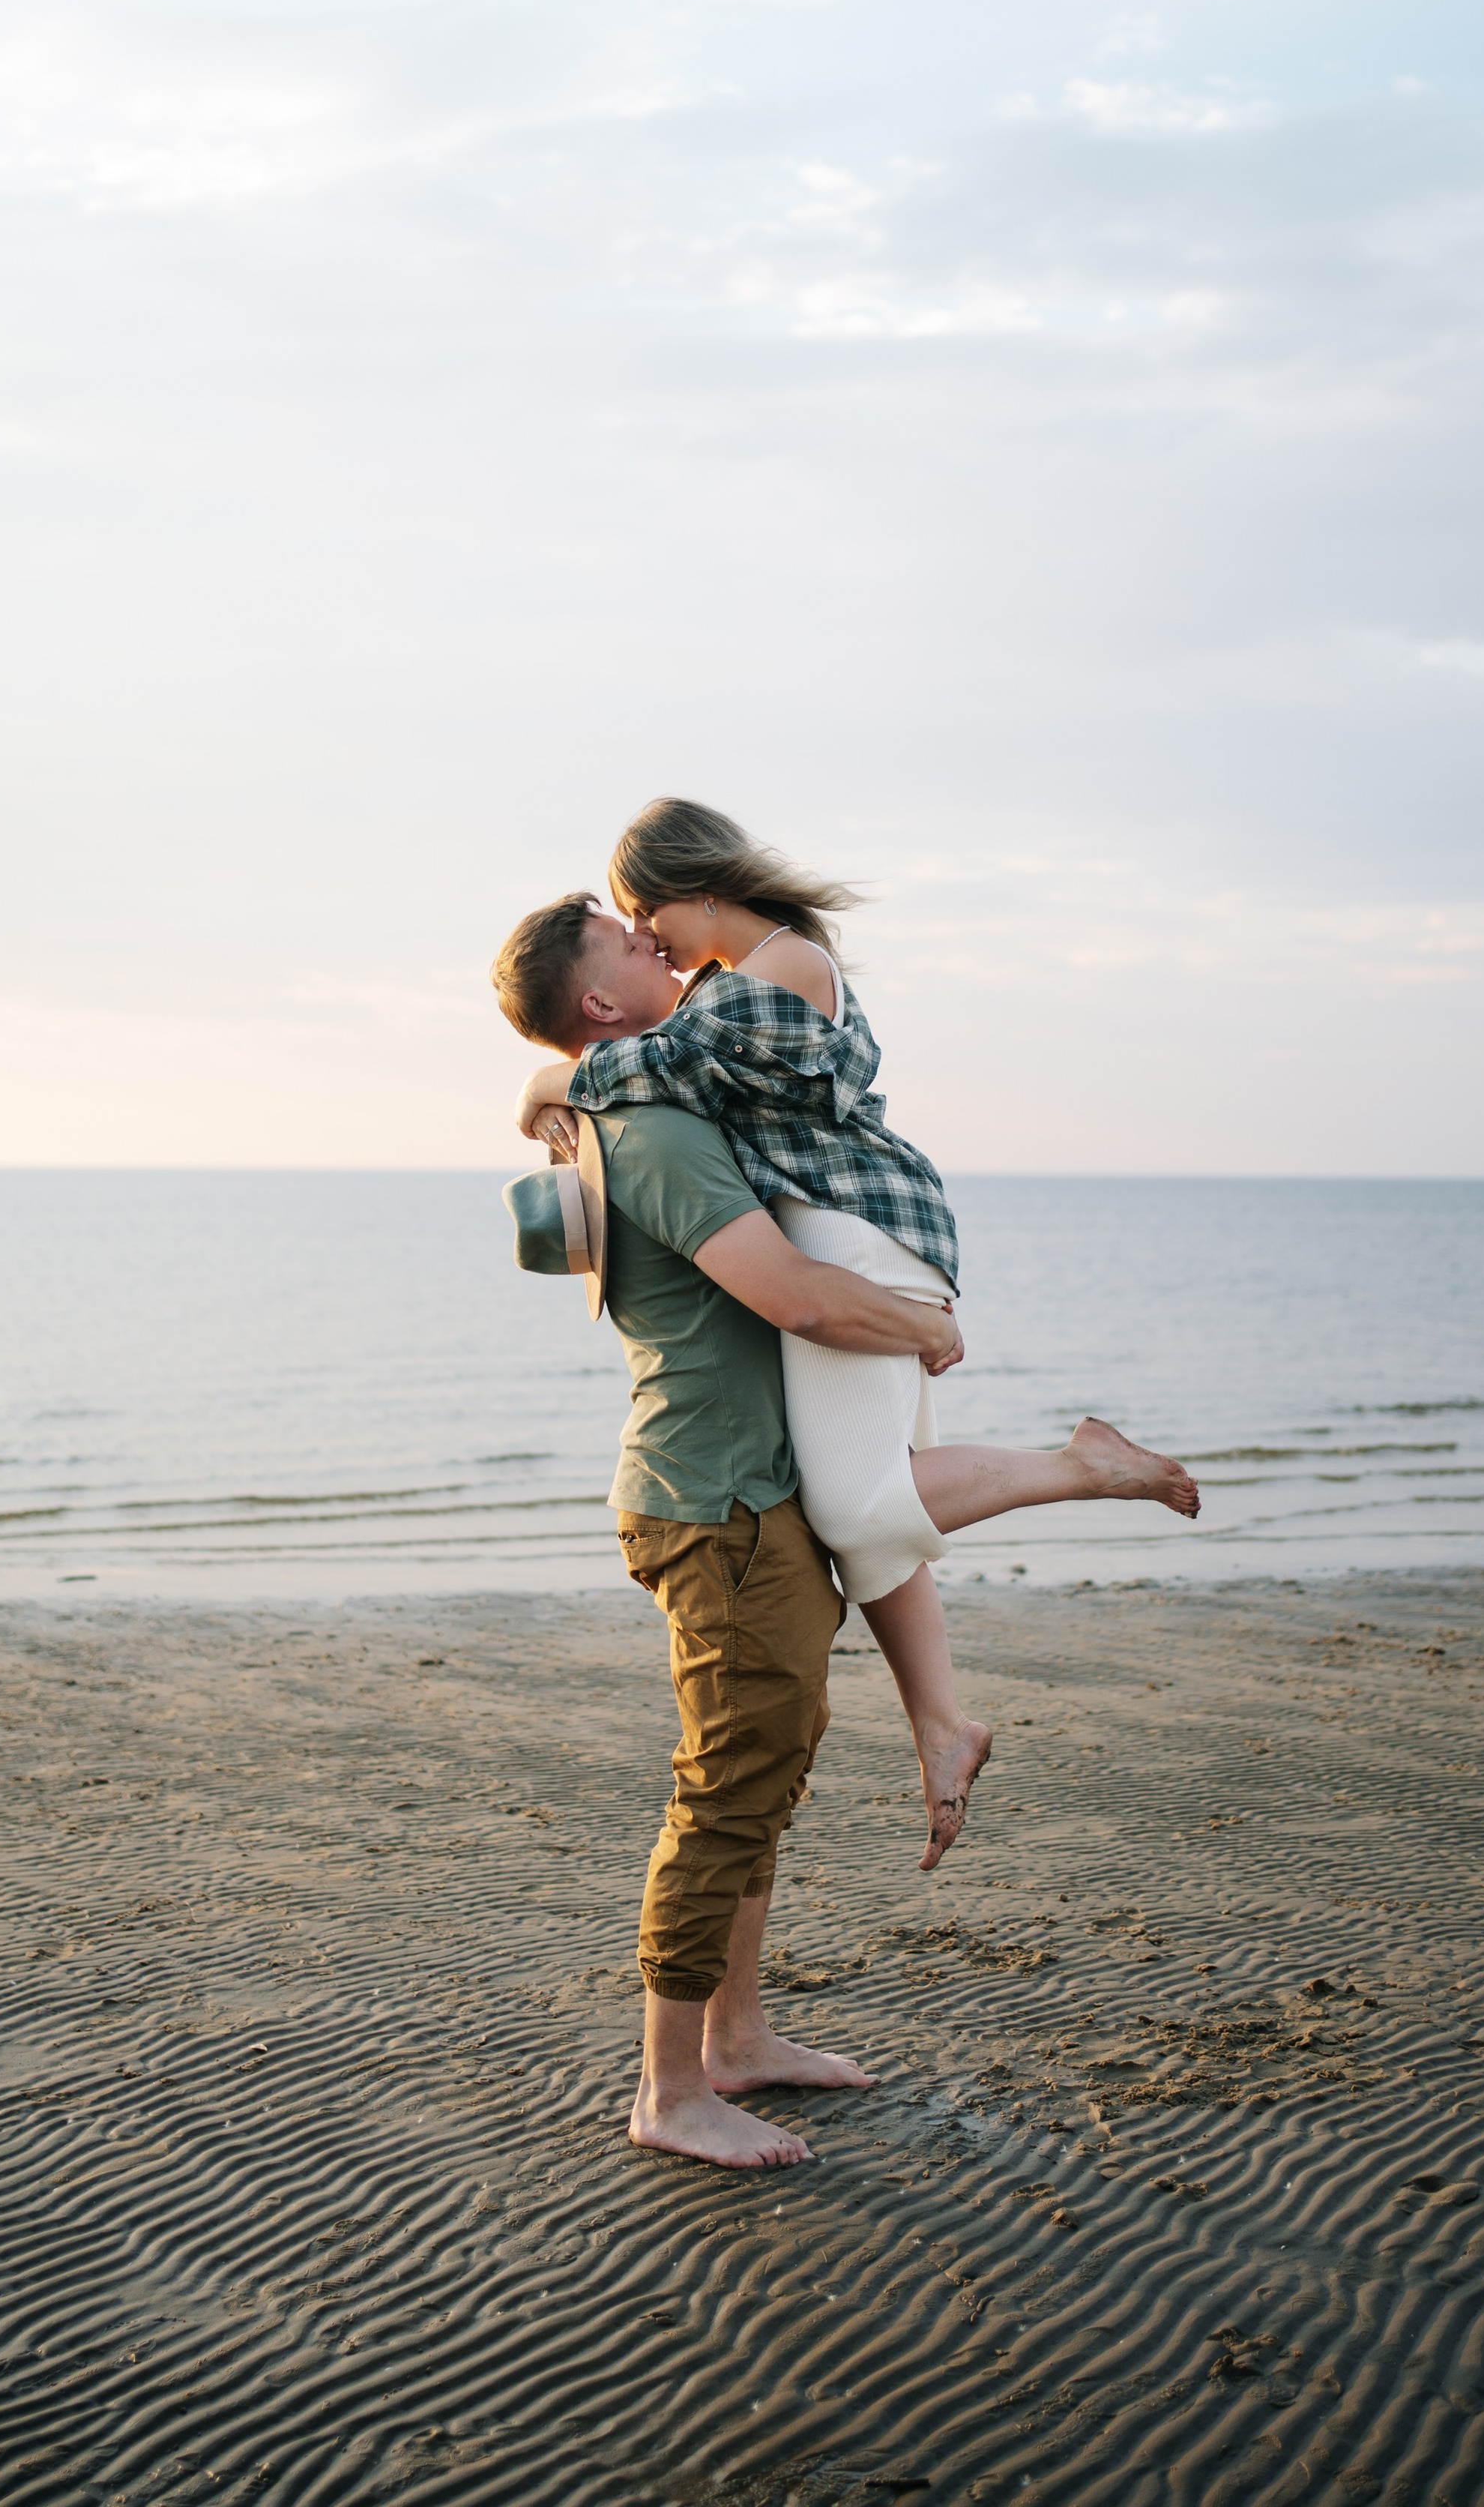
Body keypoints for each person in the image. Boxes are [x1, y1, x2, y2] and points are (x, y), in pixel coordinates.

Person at [508, 807, 1201, 1869]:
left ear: (694, 889)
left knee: (853, 1500)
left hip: (857, 1245)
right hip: (862, 1237)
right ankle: (941, 1723)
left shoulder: (771, 974)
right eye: (629, 927)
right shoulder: (745, 975)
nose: (647, 936)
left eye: (645, 911)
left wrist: (543, 1085)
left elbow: (634, 1066)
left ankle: (1082, 1466)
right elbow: (651, 1061)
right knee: (872, 1506)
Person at [492, 894, 965, 2167]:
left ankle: (738, 2039)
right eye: (623, 940)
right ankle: (668, 2090)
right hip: (717, 1506)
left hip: (747, 1492)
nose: (653, 940)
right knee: (721, 1801)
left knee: (761, 1781)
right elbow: (795, 1297)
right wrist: (924, 1327)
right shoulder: (645, 1126)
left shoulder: (636, 1091)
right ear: (598, 1000)